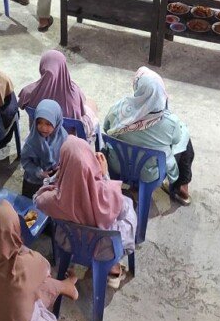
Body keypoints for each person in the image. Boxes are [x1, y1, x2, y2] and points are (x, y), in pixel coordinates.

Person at [34, 136, 138, 287]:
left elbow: (37, 199)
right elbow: (120, 211)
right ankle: (114, 267)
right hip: (104, 248)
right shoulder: (107, 192)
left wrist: (58, 178)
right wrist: (104, 176)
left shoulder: (56, 200)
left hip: (71, 244)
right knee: (128, 205)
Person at [103, 67, 194, 205]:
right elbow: (176, 139)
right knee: (185, 140)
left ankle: (135, 186)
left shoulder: (120, 108)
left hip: (117, 166)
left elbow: (106, 127)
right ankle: (181, 187)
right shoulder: (169, 122)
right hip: (149, 174)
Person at [18, 49, 99, 144]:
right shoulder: (74, 94)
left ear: (42, 67)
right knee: (92, 103)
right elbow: (81, 114)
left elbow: (20, 104)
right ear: (64, 67)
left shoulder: (28, 92)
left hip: (40, 135)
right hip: (67, 140)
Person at [19, 99, 69, 199]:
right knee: (32, 205)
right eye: (39, 122)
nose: (43, 128)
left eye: (48, 124)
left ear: (57, 121)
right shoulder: (32, 142)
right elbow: (25, 161)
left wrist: (60, 166)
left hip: (54, 177)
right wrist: (39, 172)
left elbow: (66, 154)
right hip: (34, 181)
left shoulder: (63, 137)